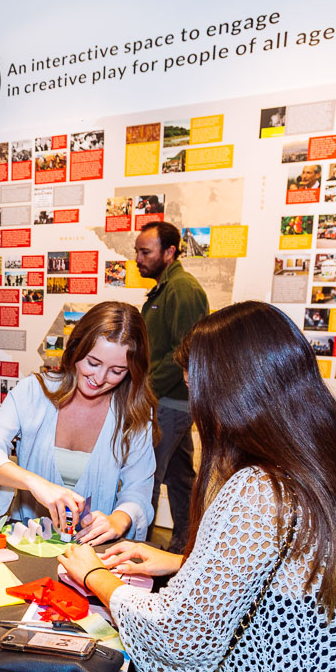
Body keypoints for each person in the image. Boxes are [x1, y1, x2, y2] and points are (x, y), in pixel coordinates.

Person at [58, 301, 336, 672]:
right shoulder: (334, 475)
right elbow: (287, 586)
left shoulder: (259, 488)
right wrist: (180, 563)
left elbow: (178, 638)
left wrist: (96, 575)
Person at [0, 301, 156, 544]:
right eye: (93, 363)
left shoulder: (133, 414)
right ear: (76, 348)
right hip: (29, 543)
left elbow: (138, 488)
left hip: (93, 551)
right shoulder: (33, 392)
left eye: (116, 371)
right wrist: (34, 482)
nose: (99, 378)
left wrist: (118, 519)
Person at [135, 221, 209, 551]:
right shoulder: (166, 289)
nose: (138, 258)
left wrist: (144, 390)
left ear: (169, 252)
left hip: (168, 403)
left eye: (145, 251)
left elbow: (186, 351)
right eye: (137, 251)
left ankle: (135, 553)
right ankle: (184, 548)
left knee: (145, 477)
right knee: (180, 478)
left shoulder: (182, 290)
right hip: (168, 402)